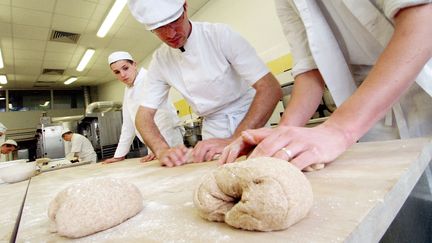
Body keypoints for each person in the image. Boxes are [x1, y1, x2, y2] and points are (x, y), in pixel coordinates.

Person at [219, 1, 432, 241]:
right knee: (406, 212)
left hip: (422, 87)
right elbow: (309, 69)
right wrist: (282, 135)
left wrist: (340, 129)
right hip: (374, 116)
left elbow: (424, 17)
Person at [126, 0, 282, 167]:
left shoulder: (220, 35)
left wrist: (234, 138)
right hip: (213, 133)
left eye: (174, 22)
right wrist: (162, 150)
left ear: (185, 7)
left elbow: (270, 88)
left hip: (251, 123)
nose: (170, 34)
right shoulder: (160, 61)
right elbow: (143, 117)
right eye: (159, 29)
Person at [103, 51, 184, 164]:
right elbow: (128, 123)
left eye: (125, 68)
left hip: (167, 140)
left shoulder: (149, 79)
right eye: (117, 72)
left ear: (134, 65)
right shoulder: (128, 89)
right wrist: (119, 155)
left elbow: (164, 117)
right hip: (153, 145)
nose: (122, 75)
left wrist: (160, 148)